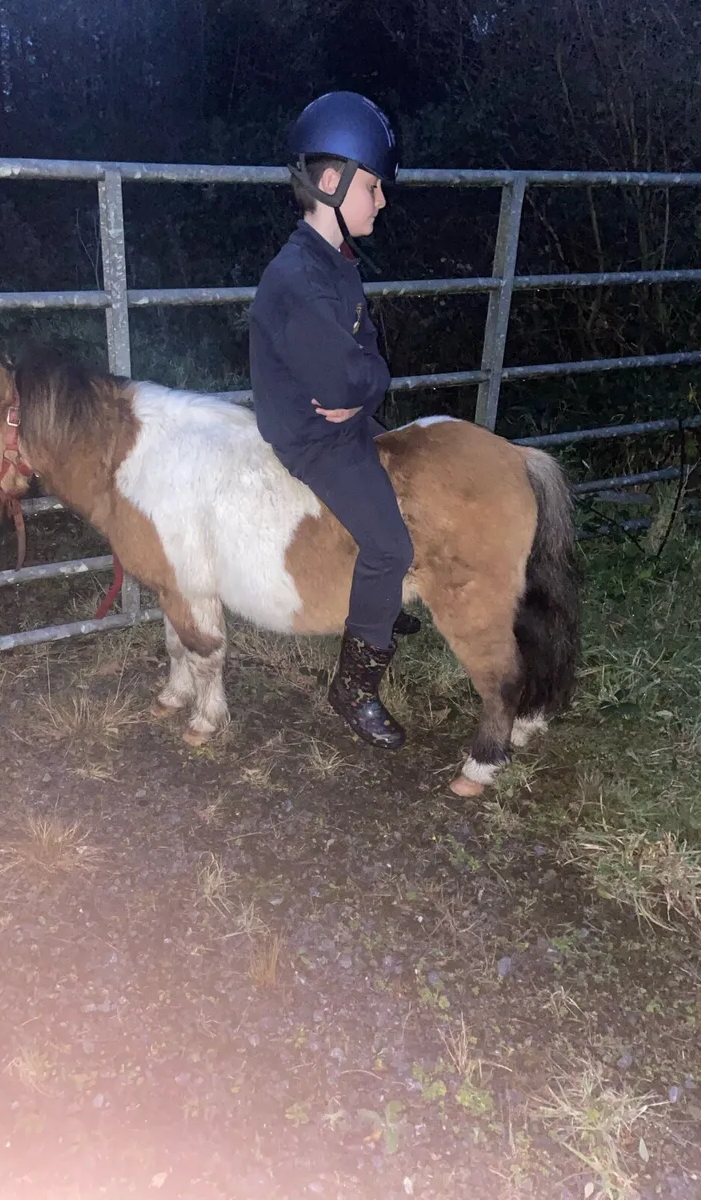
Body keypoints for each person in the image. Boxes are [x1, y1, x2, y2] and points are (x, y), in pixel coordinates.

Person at [248, 91, 419, 751]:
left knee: (412, 484)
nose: (380, 201)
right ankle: (353, 689)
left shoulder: (332, 260)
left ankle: (378, 605)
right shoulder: (300, 283)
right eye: (373, 188)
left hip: (346, 419)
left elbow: (366, 358)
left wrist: (366, 378)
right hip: (314, 438)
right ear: (332, 182)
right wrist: (368, 379)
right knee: (391, 547)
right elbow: (354, 376)